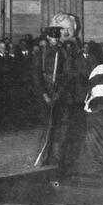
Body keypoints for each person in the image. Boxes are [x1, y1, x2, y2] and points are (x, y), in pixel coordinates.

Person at [32, 14, 77, 168]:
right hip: (45, 93)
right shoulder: (41, 52)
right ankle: (44, 156)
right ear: (47, 37)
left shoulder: (63, 52)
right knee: (47, 125)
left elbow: (68, 74)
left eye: (57, 37)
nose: (55, 40)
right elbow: (36, 76)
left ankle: (57, 158)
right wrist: (44, 94)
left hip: (59, 94)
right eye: (52, 37)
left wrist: (58, 94)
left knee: (60, 126)